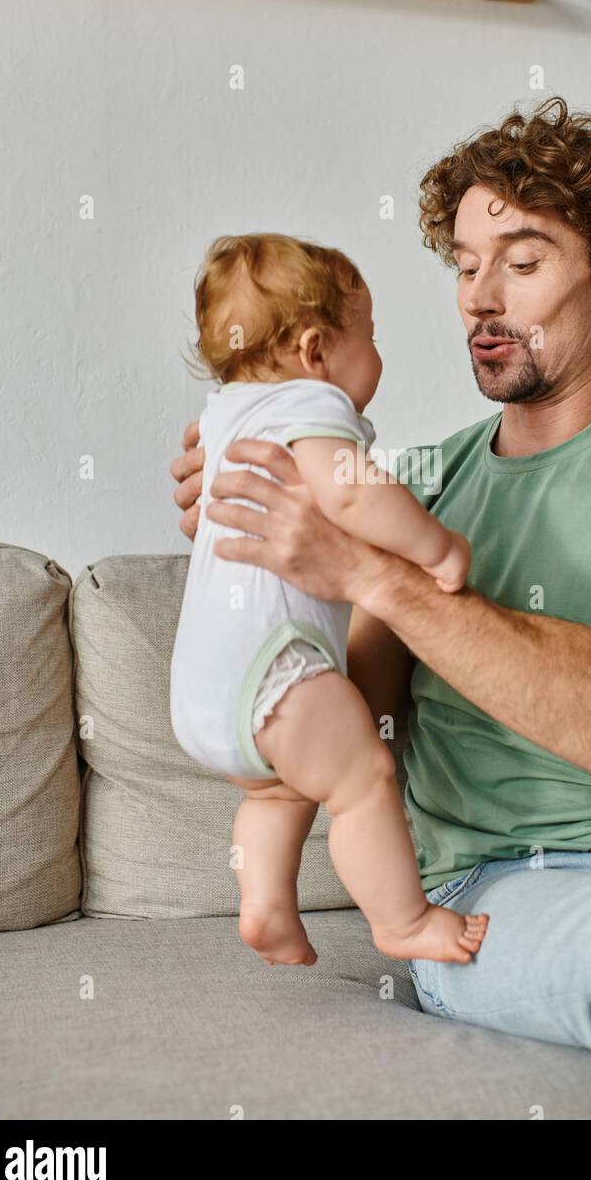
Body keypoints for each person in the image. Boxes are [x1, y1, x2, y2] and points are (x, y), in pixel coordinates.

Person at [170, 98, 591, 1119]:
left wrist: (372, 571)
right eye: (465, 265)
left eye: (520, 261)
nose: (480, 298)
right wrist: (255, 556)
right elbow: (350, 720)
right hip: (492, 896)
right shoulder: (410, 480)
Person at [170, 232, 487, 969]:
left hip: (204, 689)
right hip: (278, 671)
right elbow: (349, 489)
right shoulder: (312, 403)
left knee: (278, 793)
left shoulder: (225, 414)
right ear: (316, 351)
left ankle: (267, 906)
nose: (377, 355)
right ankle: (403, 920)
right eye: (368, 337)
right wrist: (435, 548)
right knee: (362, 780)